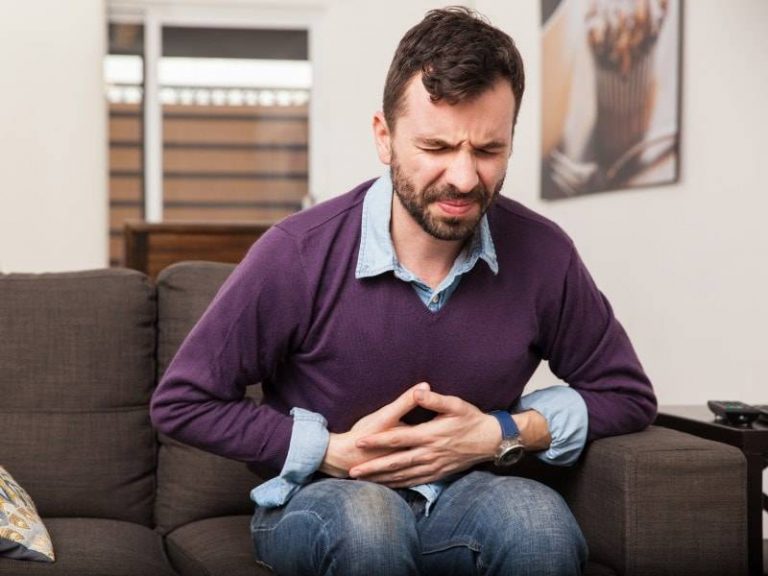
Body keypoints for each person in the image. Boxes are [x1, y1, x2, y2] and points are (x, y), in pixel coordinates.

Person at [151, 7, 657, 575]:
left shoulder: (544, 253)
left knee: (540, 524)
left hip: (466, 495)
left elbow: (625, 394)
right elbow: (183, 402)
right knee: (369, 524)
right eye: (436, 148)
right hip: (321, 499)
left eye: (488, 150)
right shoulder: (296, 252)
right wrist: (328, 450)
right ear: (384, 137)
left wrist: (498, 432)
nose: (464, 178)